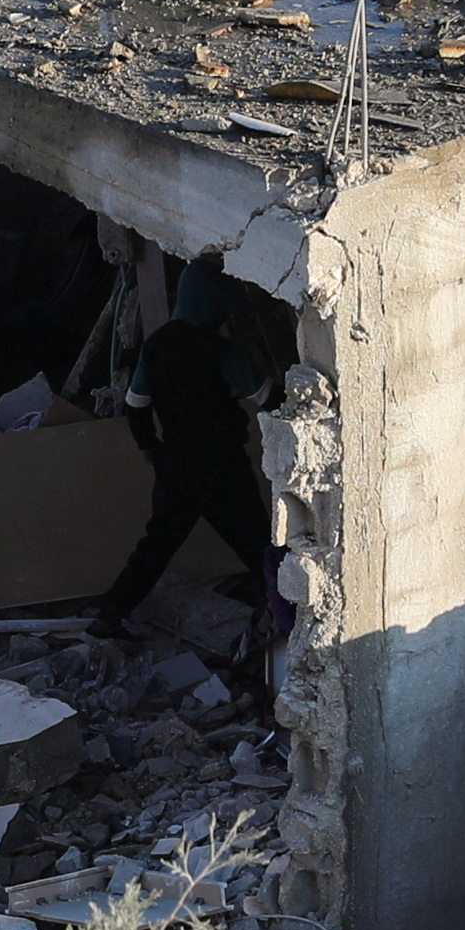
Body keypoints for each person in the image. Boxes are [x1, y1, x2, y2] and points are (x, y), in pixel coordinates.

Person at [94, 292, 288, 714]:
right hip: (221, 465)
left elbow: (135, 405)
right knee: (256, 544)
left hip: (175, 463)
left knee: (158, 542)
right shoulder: (220, 348)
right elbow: (268, 398)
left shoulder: (158, 343)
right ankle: (287, 625)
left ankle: (110, 613)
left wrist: (151, 448)